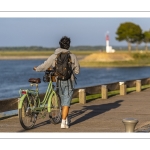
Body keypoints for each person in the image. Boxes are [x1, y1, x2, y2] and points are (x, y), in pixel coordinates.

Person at [34, 36, 80, 129]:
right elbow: (77, 71)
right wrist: (72, 71)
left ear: (60, 44)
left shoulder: (54, 56)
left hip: (59, 81)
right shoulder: (72, 56)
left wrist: (37, 68)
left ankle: (65, 119)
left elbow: (45, 65)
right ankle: (63, 122)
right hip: (69, 82)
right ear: (69, 45)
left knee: (62, 101)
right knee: (66, 102)